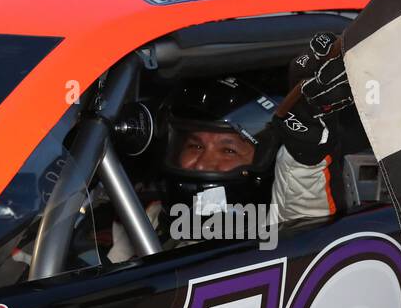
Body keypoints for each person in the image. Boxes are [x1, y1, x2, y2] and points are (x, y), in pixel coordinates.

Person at [106, 34, 353, 262]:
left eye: (228, 151)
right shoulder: (138, 216)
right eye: (195, 145)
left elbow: (303, 206)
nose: (203, 163)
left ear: (266, 160)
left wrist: (304, 150)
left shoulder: (277, 237)